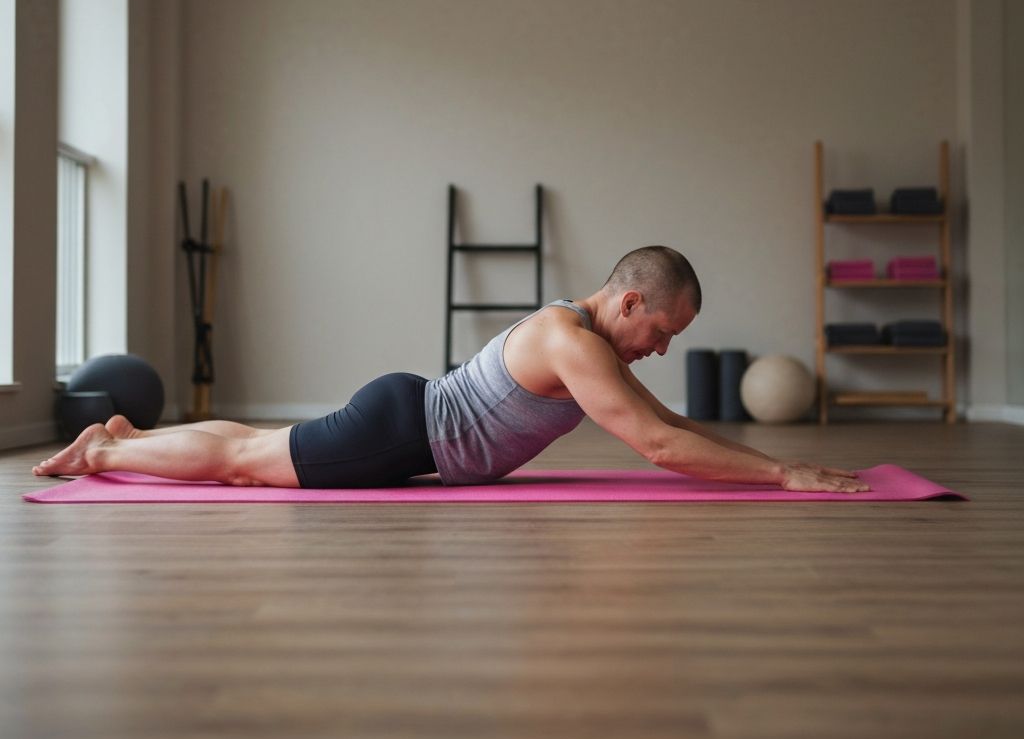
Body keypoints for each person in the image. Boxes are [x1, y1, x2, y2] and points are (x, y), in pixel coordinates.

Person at [33, 246, 868, 493]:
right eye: (662, 331)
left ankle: (130, 437)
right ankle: (101, 452)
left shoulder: (585, 336)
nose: (661, 348)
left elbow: (671, 424)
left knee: (258, 442)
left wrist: (778, 465)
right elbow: (655, 447)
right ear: (627, 303)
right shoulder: (574, 343)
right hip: (403, 433)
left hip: (406, 417)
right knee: (245, 466)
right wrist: (785, 479)